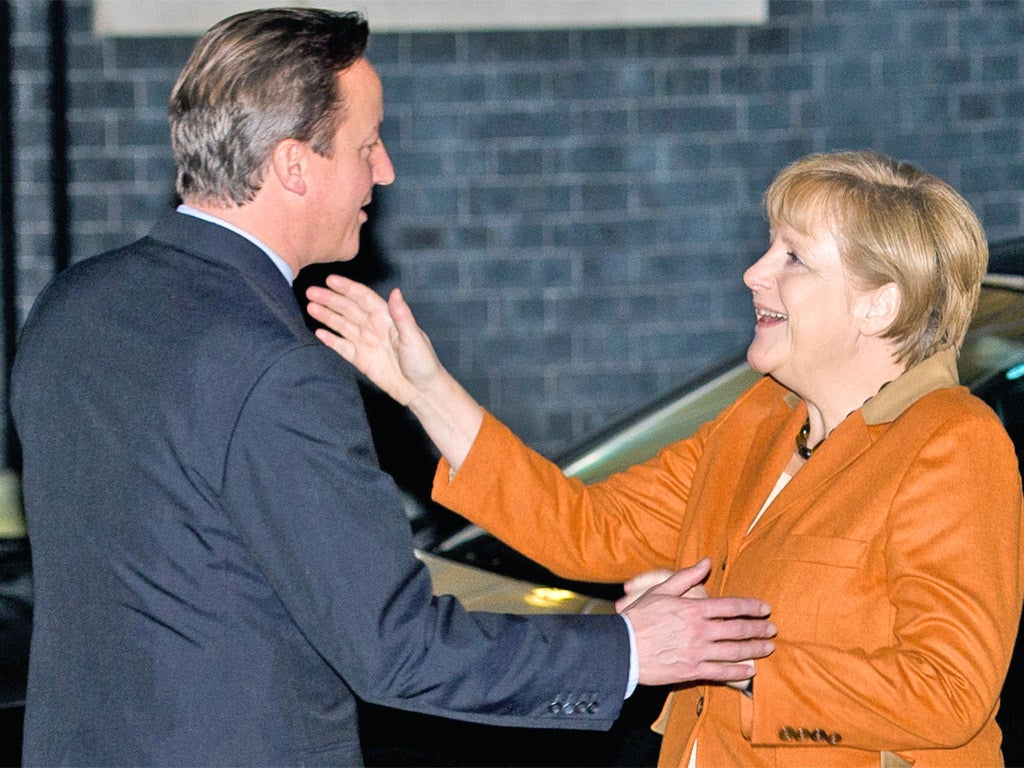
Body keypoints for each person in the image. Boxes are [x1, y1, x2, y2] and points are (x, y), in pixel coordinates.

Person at [8, 8, 780, 767]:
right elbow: (397, 647)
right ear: (292, 166)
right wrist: (630, 649)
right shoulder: (277, 366)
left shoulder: (71, 307)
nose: (385, 171)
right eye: (367, 144)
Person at [308, 149, 1024, 767]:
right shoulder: (759, 421)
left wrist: (725, 650)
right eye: (768, 247)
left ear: (879, 306)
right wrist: (425, 390)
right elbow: (585, 528)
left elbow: (948, 693)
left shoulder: (951, 443)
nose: (753, 272)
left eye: (793, 258)